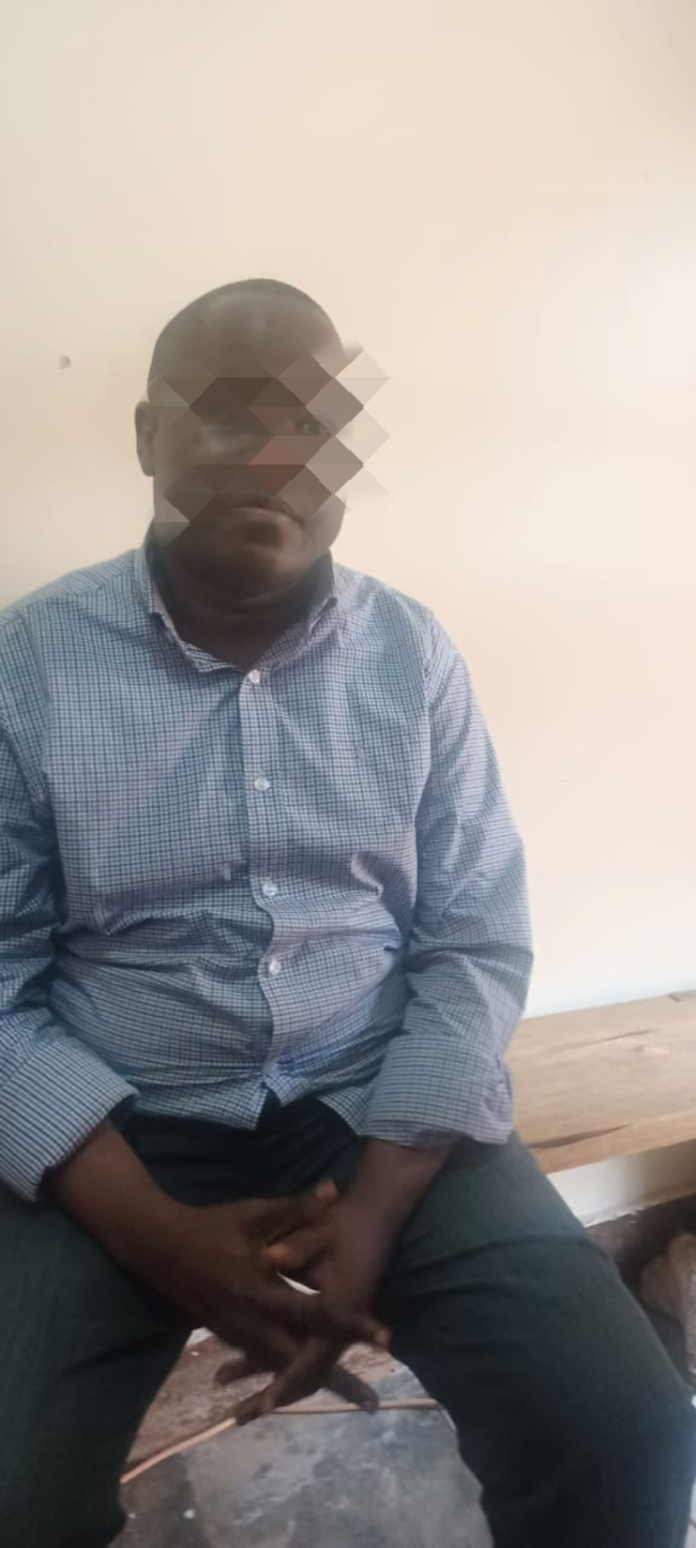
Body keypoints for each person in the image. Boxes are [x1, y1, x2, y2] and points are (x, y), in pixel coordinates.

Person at [0, 278, 693, 1548]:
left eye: (313, 425)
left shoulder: (412, 658)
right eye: (228, 414)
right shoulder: (29, 667)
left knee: (627, 1436)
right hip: (118, 1122)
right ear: (149, 436)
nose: (275, 457)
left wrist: (373, 1216)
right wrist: (159, 1240)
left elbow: (474, 940)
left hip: (380, 1103)